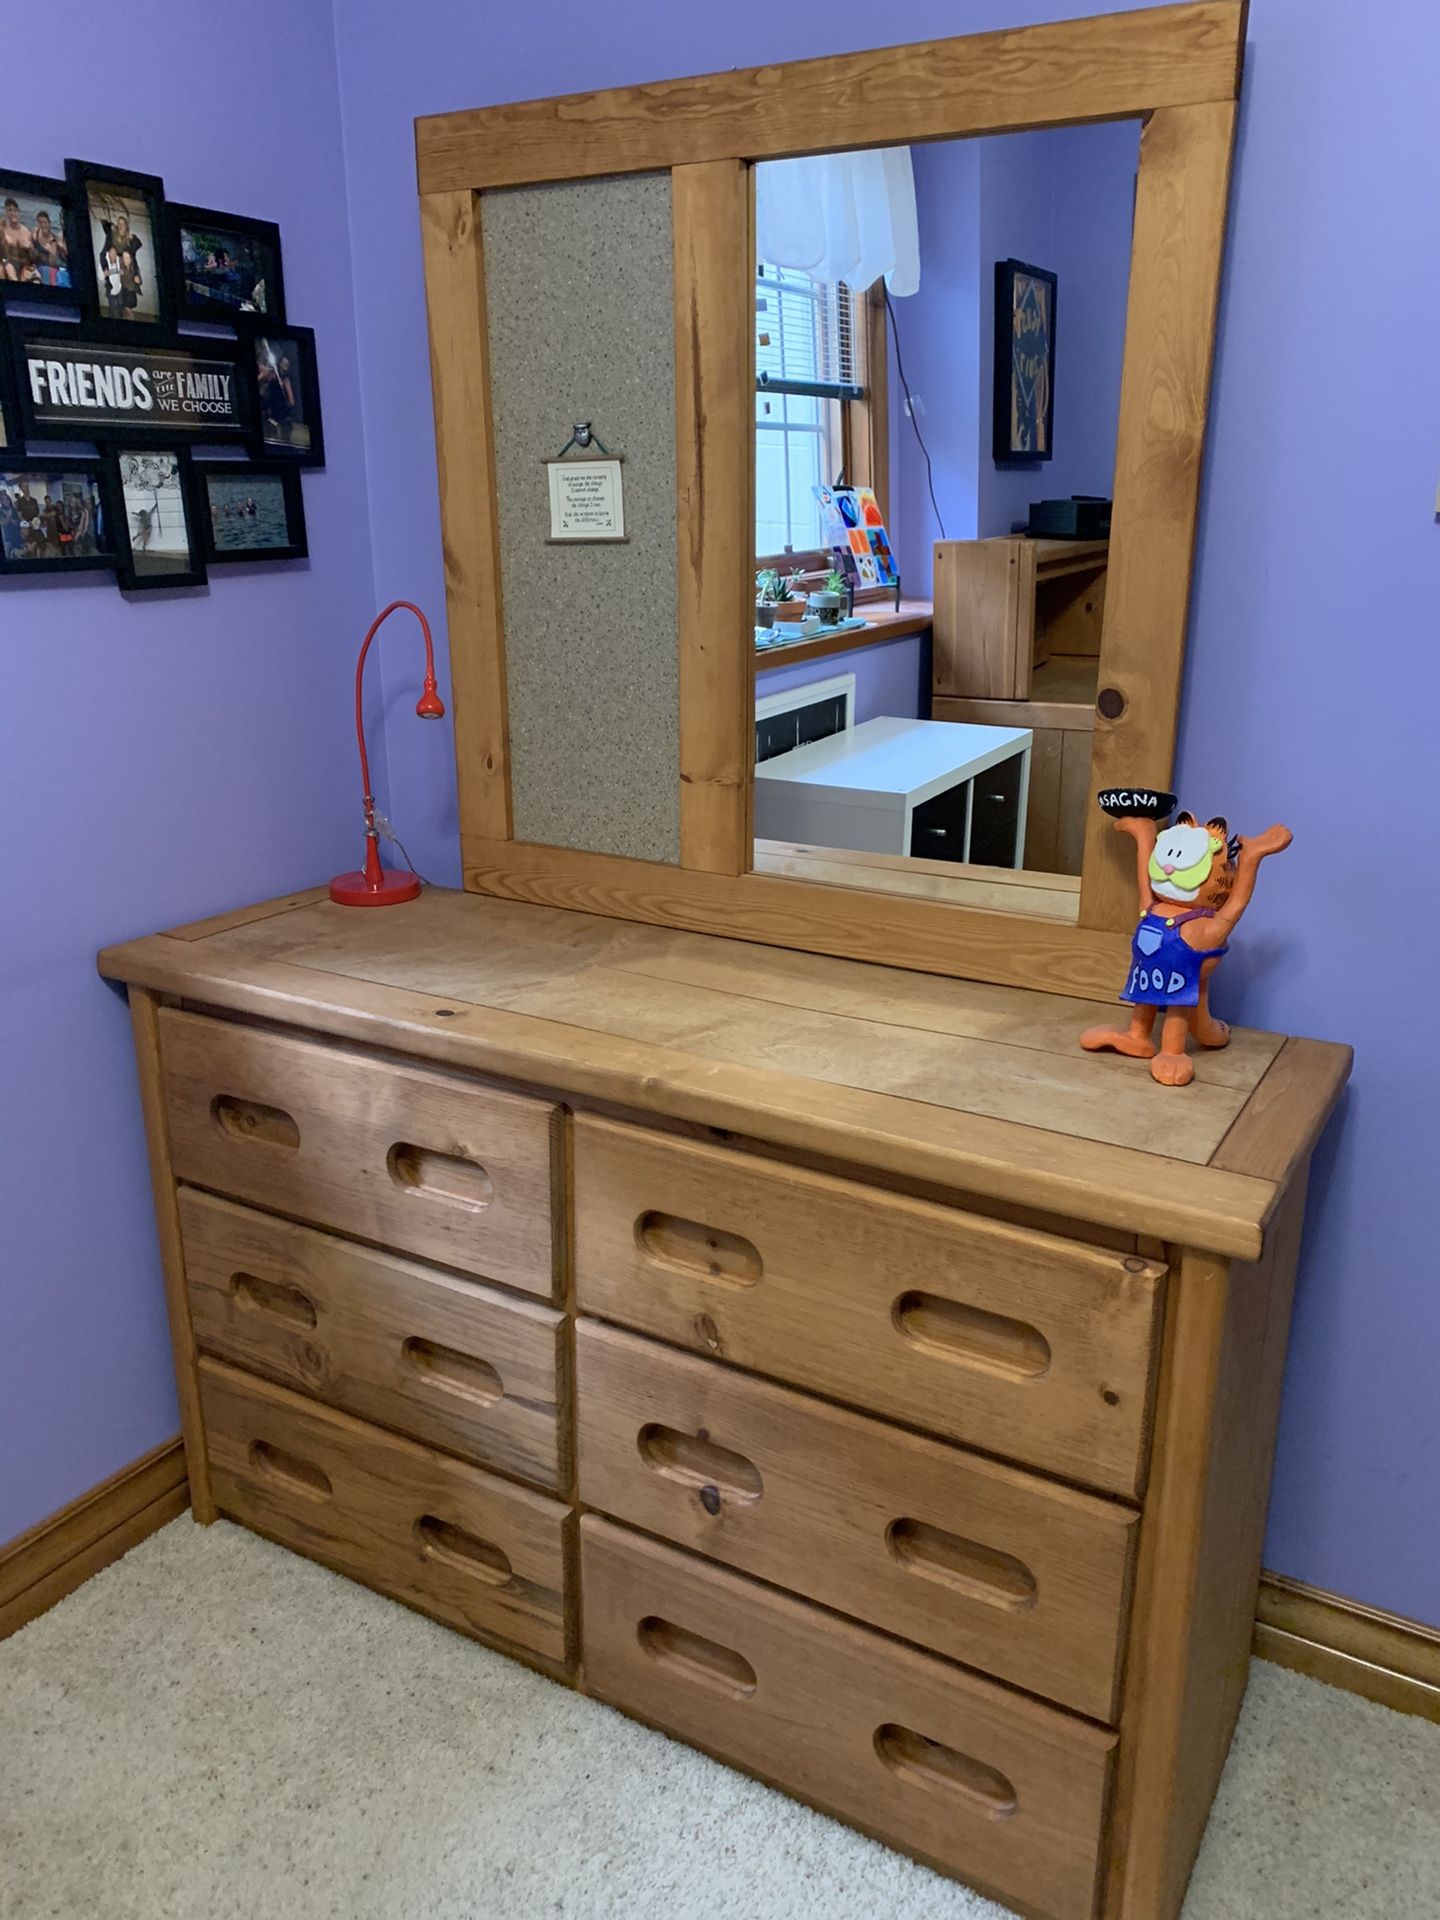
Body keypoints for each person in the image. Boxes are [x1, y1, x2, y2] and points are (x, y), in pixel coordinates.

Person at [258, 347, 297, 444]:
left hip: (281, 412)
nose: (285, 368)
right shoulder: (270, 374)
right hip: (270, 410)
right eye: (283, 365)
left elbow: (291, 401)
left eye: (287, 366)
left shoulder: (286, 380)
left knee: (285, 430)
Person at [1, 197, 38, 282]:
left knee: (35, 279)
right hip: (10, 263)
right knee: (9, 269)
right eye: (9, 210)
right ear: (6, 212)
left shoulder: (27, 232)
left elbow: (34, 258)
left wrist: (30, 248)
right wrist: (4, 242)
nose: (12, 213)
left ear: (18, 212)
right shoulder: (4, 231)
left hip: (25, 264)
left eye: (15, 210)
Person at [31, 209, 68, 287]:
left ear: (49, 224)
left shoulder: (53, 240)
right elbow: (32, 257)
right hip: (36, 265)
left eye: (45, 223)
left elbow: (52, 263)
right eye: (40, 223)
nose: (43, 225)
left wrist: (51, 252)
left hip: (48, 268)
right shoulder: (35, 234)